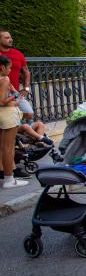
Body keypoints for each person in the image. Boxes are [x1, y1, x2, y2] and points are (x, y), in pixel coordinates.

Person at [0, 55, 28, 188]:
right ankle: (9, 179)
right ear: (2, 67)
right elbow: (2, 101)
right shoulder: (4, 78)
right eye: (9, 67)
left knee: (4, 147)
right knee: (8, 148)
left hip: (2, 115)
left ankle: (7, 177)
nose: (11, 70)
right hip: (8, 115)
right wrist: (13, 95)